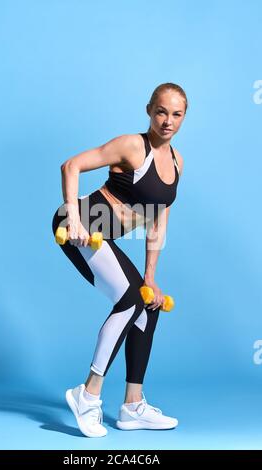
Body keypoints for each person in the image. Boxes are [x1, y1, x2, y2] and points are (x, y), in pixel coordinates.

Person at [52, 82, 186, 438]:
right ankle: (87, 394)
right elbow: (71, 165)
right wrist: (75, 219)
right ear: (149, 111)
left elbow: (159, 219)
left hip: (104, 235)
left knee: (146, 302)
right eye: (161, 112)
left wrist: (151, 277)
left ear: (184, 117)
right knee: (127, 301)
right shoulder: (132, 145)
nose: (167, 121)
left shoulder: (176, 162)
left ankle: (132, 406)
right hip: (79, 222)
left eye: (176, 114)